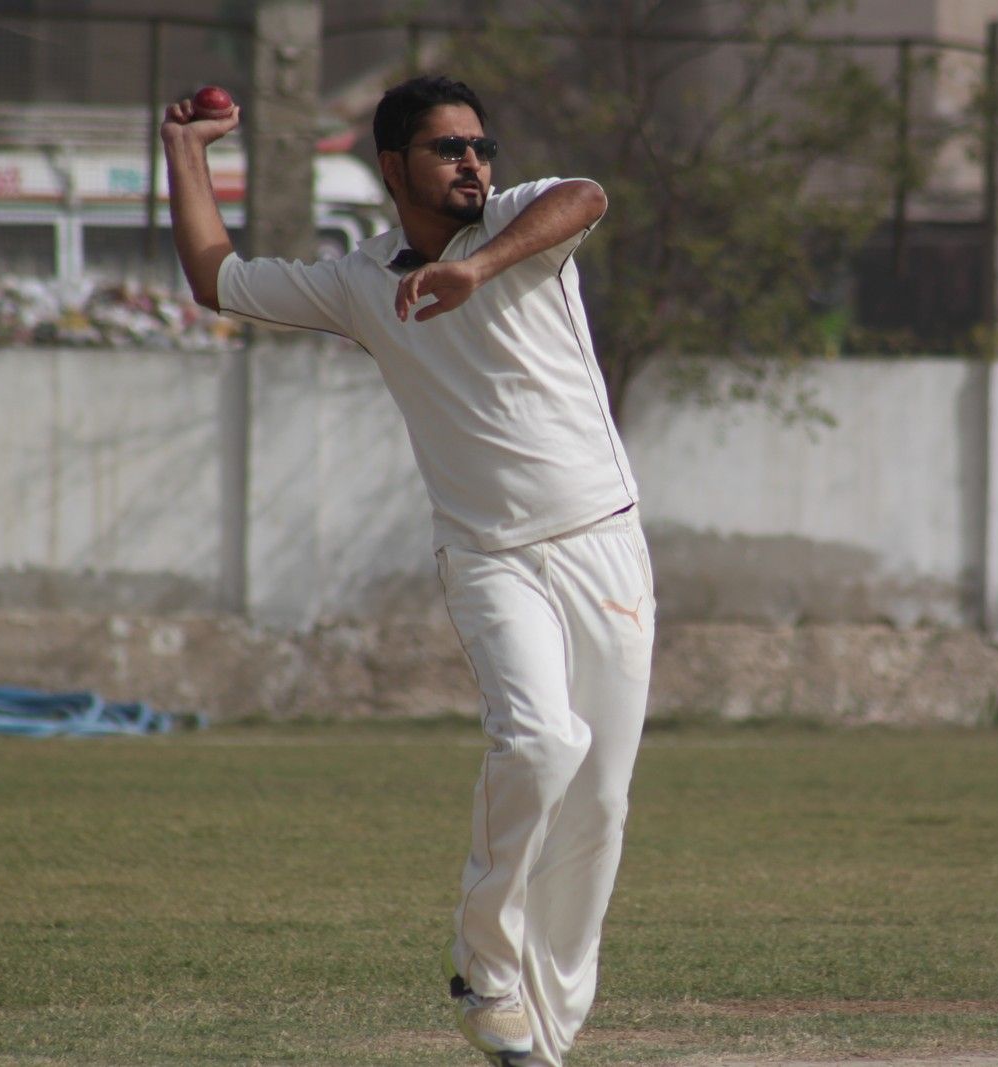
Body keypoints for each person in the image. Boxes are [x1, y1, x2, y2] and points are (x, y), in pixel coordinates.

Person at [160, 75, 656, 1067]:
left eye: (481, 145)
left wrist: (477, 269)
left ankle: (544, 1044)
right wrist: (185, 151)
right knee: (540, 743)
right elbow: (217, 278)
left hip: (603, 541)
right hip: (488, 556)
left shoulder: (516, 223)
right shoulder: (360, 285)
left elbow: (587, 196)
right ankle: (487, 975)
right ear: (393, 167)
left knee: (599, 805)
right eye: (447, 148)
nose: (473, 161)